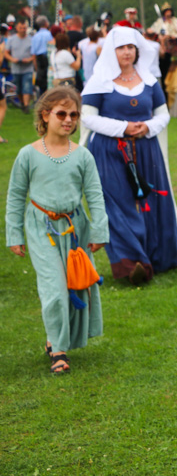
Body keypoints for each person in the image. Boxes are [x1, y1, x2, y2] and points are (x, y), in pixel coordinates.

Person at [6, 86, 109, 373]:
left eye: (74, 114)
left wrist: (100, 230)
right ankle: (59, 350)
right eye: (61, 113)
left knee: (75, 284)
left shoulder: (83, 155)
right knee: (53, 289)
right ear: (45, 115)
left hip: (76, 229)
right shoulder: (28, 154)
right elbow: (15, 196)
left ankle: (58, 338)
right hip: (41, 229)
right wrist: (14, 234)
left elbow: (95, 194)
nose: (68, 120)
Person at [80, 27, 177, 284]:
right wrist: (122, 128)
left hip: (145, 149)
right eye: (121, 48)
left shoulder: (149, 81)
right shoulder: (100, 80)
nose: (127, 52)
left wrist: (148, 127)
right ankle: (130, 265)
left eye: (131, 47)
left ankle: (155, 256)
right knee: (118, 205)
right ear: (112, 51)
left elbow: (163, 113)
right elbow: (87, 117)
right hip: (109, 152)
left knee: (149, 203)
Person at [5, 19, 35, 113]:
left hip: (27, 68)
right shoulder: (11, 39)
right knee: (18, 89)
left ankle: (26, 106)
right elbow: (6, 52)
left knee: (27, 87)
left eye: (24, 28)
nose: (22, 30)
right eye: (21, 28)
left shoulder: (30, 39)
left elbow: (34, 53)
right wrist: (12, 59)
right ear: (17, 28)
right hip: (16, 68)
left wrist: (30, 59)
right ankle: (22, 103)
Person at [31, 16, 52, 97]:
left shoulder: (35, 36)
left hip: (39, 60)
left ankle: (41, 99)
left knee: (41, 83)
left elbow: (33, 54)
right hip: (49, 58)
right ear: (46, 23)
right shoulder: (50, 34)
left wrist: (36, 67)